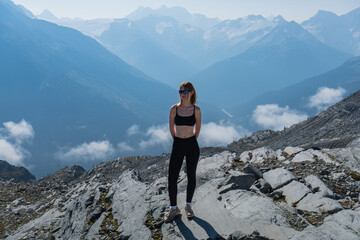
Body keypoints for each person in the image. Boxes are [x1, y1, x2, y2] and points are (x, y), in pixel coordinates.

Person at [164, 81, 201, 223]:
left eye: (185, 92)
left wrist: (189, 141)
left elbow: (197, 130)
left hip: (192, 144)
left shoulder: (196, 110)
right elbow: (171, 129)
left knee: (191, 175)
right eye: (180, 92)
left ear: (191, 92)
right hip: (178, 143)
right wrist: (179, 140)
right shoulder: (174, 109)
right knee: (172, 176)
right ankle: (174, 208)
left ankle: (188, 206)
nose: (182, 94)